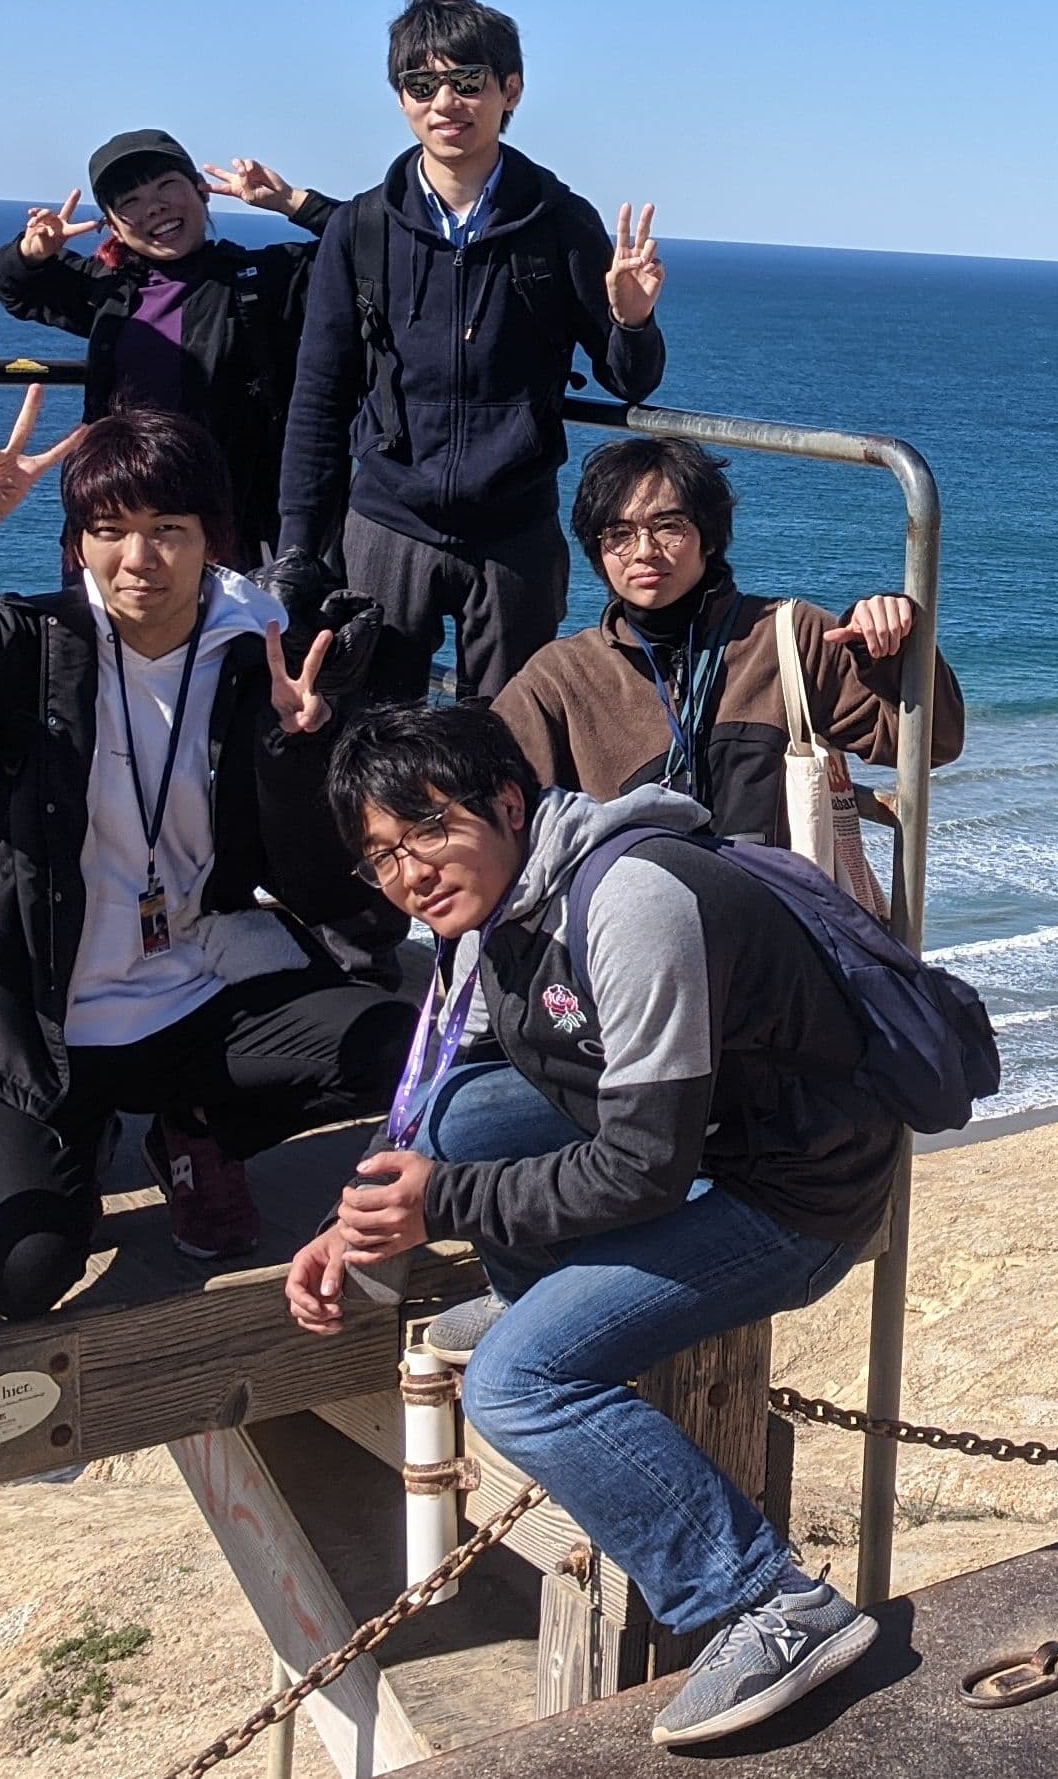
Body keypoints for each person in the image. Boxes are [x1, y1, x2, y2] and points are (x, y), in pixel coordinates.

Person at [289, 703, 894, 1747]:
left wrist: (440, 1205)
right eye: (382, 857)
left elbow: (643, 1172)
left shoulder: (628, 900)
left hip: (797, 1194)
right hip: (709, 1143)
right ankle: (547, 1301)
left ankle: (765, 1603)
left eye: (429, 829)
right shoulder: (499, 912)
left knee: (516, 1382)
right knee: (463, 1114)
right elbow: (435, 1109)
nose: (412, 873)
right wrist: (350, 1227)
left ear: (508, 803)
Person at [0, 401, 409, 1313]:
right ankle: (15, 1121)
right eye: (108, 531)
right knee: (16, 1273)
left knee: (395, 1046)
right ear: (76, 543)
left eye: (168, 531)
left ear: (213, 543)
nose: (138, 560)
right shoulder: (20, 650)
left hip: (194, 993)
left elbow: (320, 885)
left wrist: (298, 752)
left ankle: (194, 1128)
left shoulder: (259, 661)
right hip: (38, 1026)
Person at [271, 0, 669, 707]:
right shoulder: (360, 229)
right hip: (389, 521)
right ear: (400, 98)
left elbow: (627, 380)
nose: (444, 101)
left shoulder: (557, 221)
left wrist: (631, 320)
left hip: (515, 528)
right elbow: (319, 394)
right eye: (421, 85)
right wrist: (298, 542)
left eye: (467, 81)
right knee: (376, 736)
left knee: (512, 740)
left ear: (509, 89)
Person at [492, 438, 966, 854]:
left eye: (668, 526)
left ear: (710, 537)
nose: (644, 551)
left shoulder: (786, 637)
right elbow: (489, 791)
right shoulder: (564, 676)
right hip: (640, 930)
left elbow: (933, 746)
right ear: (598, 552)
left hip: (773, 921)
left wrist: (894, 653)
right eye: (619, 534)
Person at [0, 130, 338, 563]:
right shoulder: (109, 290)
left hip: (227, 530)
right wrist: (31, 252)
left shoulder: (259, 281)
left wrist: (292, 203)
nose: (153, 206)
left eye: (167, 185)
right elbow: (15, 288)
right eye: (129, 201)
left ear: (201, 191)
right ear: (113, 226)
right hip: (113, 523)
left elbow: (369, 247)